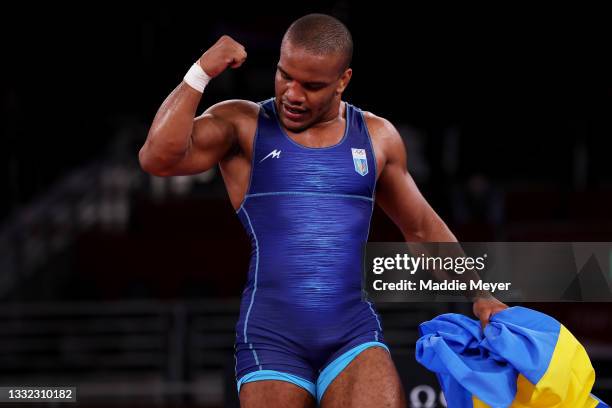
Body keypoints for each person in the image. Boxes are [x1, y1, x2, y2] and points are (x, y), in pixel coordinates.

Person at [139, 13, 507, 408]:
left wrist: (480, 293)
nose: (293, 95)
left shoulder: (376, 137)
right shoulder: (243, 125)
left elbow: (420, 227)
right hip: (271, 338)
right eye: (284, 76)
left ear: (343, 80)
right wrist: (199, 73)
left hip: (352, 334)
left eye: (312, 85)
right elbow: (157, 158)